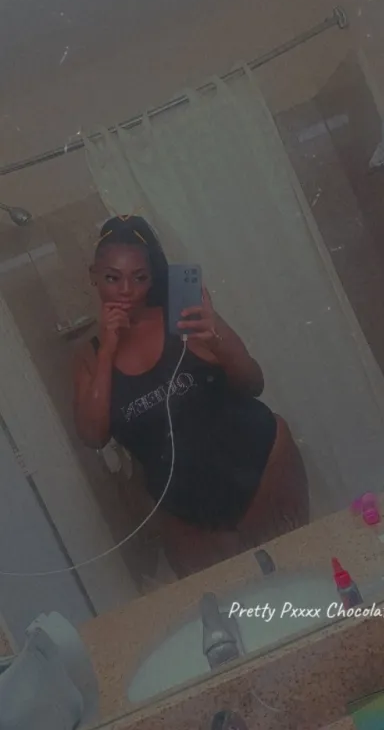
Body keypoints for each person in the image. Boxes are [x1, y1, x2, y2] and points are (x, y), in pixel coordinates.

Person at [73, 215, 309, 577]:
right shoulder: (90, 356)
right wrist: (108, 351)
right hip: (185, 512)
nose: (126, 290)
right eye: (112, 278)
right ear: (94, 276)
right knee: (231, 601)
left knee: (301, 573)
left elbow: (253, 383)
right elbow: (93, 436)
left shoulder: (185, 316)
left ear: (153, 277)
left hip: (263, 468)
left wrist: (215, 339)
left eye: (139, 277)